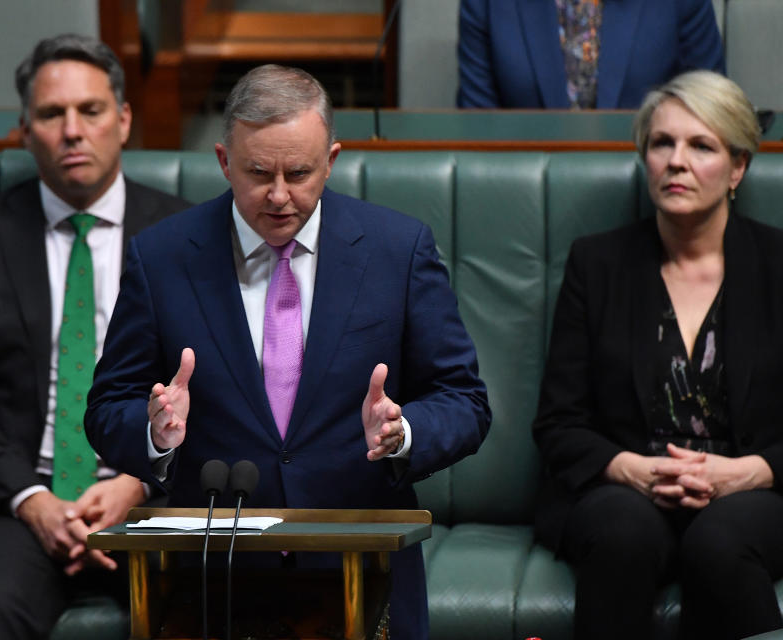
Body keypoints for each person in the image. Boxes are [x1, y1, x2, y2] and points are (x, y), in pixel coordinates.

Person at [84, 64, 491, 638]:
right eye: (257, 173)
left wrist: (405, 432)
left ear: (331, 159)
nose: (279, 196)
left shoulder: (398, 250)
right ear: (225, 162)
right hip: (215, 574)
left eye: (299, 173)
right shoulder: (163, 256)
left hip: (363, 562)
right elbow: (106, 408)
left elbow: (465, 400)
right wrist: (154, 432)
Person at [0, 33, 189, 639]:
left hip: (150, 491)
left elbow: (221, 386)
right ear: (25, 130)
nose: (72, 130)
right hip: (16, 500)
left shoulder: (185, 235)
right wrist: (35, 502)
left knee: (211, 594)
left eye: (90, 111)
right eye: (51, 114)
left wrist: (136, 482)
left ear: (122, 120)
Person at [533, 69, 783, 639]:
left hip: (756, 492)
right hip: (624, 488)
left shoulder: (778, 265)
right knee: (622, 534)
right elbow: (558, 422)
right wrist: (630, 470)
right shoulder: (597, 265)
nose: (676, 160)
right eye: (662, 143)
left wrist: (752, 472)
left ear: (738, 167)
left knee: (719, 542)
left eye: (701, 146)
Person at [457, 0, 725, 109]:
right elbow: (478, 126)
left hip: (647, 190)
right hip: (523, 189)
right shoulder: (488, 3)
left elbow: (711, 110)